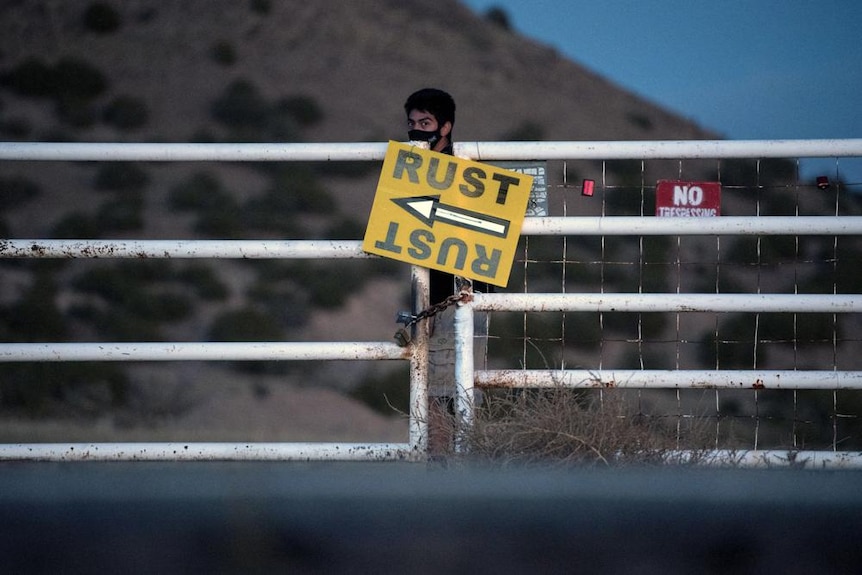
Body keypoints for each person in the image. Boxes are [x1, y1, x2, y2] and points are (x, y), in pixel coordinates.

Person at [403, 88, 489, 457]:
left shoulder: (469, 169)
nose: (418, 131)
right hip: (429, 299)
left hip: (463, 294)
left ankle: (451, 469)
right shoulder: (408, 171)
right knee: (433, 391)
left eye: (426, 123)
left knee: (459, 390)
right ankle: (441, 467)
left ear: (446, 126)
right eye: (412, 124)